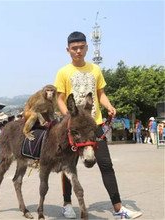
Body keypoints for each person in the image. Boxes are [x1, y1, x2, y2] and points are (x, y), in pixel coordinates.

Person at [54, 31, 142, 219]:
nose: (78, 51)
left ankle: (119, 208)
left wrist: (109, 105)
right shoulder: (63, 72)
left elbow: (100, 94)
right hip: (74, 129)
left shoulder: (95, 70)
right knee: (69, 166)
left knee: (105, 164)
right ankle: (67, 204)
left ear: (86, 47)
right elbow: (60, 99)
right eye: (74, 48)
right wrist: (69, 118)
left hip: (95, 125)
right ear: (68, 50)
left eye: (81, 47)